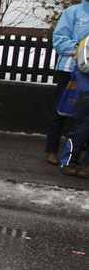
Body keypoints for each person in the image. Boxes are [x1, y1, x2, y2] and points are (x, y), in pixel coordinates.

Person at [46, 0, 89, 165]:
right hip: (69, 69)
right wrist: (83, 48)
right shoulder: (73, 13)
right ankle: (51, 150)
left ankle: (77, 152)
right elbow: (59, 41)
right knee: (61, 110)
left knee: (84, 115)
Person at [60, 36, 89, 177]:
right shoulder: (87, 42)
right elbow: (83, 65)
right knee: (79, 131)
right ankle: (69, 162)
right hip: (86, 95)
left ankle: (87, 165)